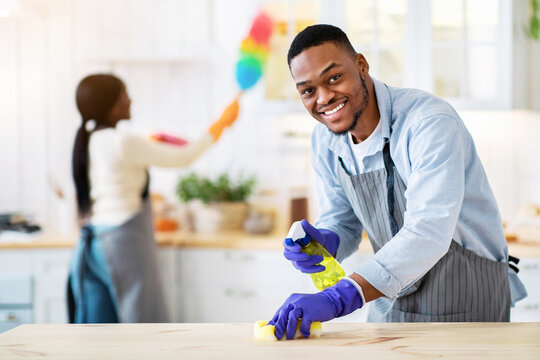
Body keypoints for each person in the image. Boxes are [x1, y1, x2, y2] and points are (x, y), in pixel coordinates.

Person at [269, 24, 527, 340]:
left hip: (465, 296)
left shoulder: (428, 123)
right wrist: (327, 240)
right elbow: (343, 220)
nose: (324, 97)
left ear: (361, 65)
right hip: (392, 297)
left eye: (334, 77)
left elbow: (428, 231)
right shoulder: (327, 141)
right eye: (308, 90)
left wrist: (339, 297)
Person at [68, 74, 239, 323]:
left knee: (98, 336)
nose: (130, 100)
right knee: (143, 328)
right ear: (111, 105)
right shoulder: (124, 141)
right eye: (124, 94)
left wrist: (148, 146)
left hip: (91, 244)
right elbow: (185, 156)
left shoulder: (90, 140)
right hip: (122, 242)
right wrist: (221, 125)